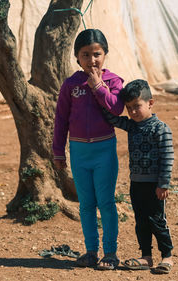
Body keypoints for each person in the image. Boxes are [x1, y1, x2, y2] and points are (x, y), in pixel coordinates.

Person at [52, 29, 124, 270]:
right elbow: (61, 120)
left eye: (97, 54)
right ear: (76, 57)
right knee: (85, 204)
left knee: (105, 202)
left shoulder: (113, 81)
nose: (92, 60)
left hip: (104, 150)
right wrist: (58, 152)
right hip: (79, 152)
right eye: (85, 54)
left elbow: (115, 108)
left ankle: (111, 252)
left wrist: (98, 86)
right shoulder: (71, 84)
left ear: (105, 55)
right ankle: (91, 251)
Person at [102, 79, 175, 274]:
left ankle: (167, 256)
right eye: (129, 108)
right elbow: (111, 117)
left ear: (150, 103)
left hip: (155, 185)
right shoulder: (132, 125)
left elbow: (167, 157)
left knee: (157, 220)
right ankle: (146, 257)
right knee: (141, 220)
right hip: (136, 184)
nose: (133, 112)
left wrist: (163, 184)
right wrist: (101, 93)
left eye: (137, 106)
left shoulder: (161, 128)